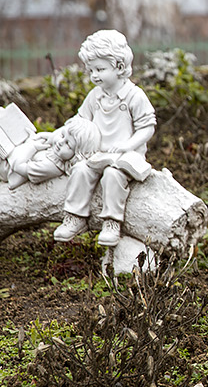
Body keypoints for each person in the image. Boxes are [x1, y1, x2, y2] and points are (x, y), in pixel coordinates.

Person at [53, 30, 156, 247]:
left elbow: (147, 127)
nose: (94, 76)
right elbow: (80, 118)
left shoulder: (134, 96)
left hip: (123, 157)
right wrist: (61, 132)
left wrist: (127, 146)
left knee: (112, 176)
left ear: (119, 67)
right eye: (91, 70)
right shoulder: (95, 95)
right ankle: (75, 216)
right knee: (80, 170)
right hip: (97, 154)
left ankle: (111, 221)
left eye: (100, 69)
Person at [0, 110, 100, 202]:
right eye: (62, 136)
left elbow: (18, 166)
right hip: (21, 153)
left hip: (9, 169)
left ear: (76, 155)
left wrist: (32, 147)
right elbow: (53, 137)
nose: (60, 142)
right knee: (7, 121)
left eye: (68, 144)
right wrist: (47, 136)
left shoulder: (51, 166)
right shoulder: (58, 151)